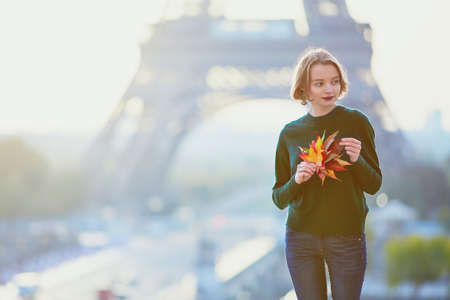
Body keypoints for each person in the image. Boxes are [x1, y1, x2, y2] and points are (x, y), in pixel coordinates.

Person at [272, 47, 382, 299]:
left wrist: (356, 160)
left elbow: (374, 185)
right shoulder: (290, 134)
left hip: (347, 238)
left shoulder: (357, 122)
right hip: (301, 240)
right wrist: (297, 180)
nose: (329, 89)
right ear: (304, 88)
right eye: (319, 83)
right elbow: (279, 198)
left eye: (334, 82)